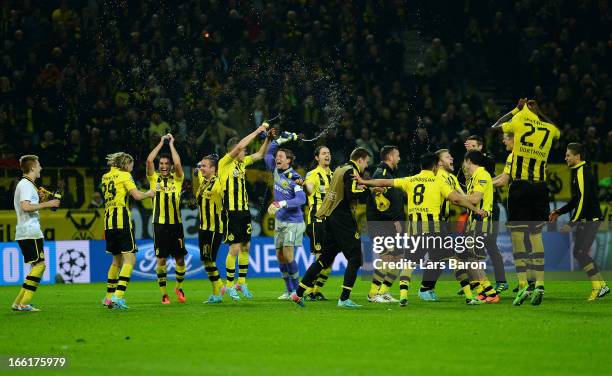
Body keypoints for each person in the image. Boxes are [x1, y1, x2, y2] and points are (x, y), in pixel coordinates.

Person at [355, 152, 489, 306]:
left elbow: (384, 182)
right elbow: (457, 199)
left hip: (416, 231)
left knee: (408, 264)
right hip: (435, 230)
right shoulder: (438, 181)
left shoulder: (411, 180)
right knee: (454, 260)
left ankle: (403, 296)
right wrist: (475, 209)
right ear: (434, 166)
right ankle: (469, 296)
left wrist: (364, 181)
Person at [492, 99, 560, 306]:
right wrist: (538, 112)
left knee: (518, 238)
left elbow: (496, 126)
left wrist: (517, 109)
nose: (505, 141)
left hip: (521, 186)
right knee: (536, 235)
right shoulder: (549, 128)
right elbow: (556, 129)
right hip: (540, 187)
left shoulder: (519, 122)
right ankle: (539, 283)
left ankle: (522, 285)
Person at [292, 147, 372, 308]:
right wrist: (370, 191)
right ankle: (344, 298)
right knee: (356, 258)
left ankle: (298, 293)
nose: (366, 166)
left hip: (329, 219)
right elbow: (350, 194)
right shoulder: (350, 170)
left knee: (324, 259)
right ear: (360, 160)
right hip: (341, 219)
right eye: (366, 162)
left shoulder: (338, 169)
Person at [219, 123, 273, 300]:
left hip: (244, 211)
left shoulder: (242, 164)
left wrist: (268, 140)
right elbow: (242, 145)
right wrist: (258, 131)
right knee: (234, 249)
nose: (245, 153)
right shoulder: (224, 163)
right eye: (242, 151)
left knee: (245, 247)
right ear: (234, 151)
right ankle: (229, 286)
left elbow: (260, 154)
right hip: (231, 212)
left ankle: (241, 283)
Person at [549, 143, 609, 300]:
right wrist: (559, 211)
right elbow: (576, 199)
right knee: (579, 252)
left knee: (581, 252)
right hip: (587, 218)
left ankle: (598, 287)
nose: (565, 158)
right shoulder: (577, 172)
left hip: (590, 219)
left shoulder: (582, 171)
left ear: (577, 156)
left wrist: (572, 222)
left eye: (568, 155)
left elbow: (583, 200)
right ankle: (601, 286)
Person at [101, 152, 154, 309]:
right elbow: (137, 196)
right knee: (130, 260)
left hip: (108, 222)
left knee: (116, 261)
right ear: (125, 164)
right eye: (131, 165)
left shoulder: (105, 177)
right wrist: (149, 193)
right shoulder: (125, 175)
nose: (132, 168)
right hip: (122, 221)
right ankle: (118, 296)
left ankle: (108, 297)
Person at [11, 155, 60, 312]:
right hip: (29, 231)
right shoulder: (25, 185)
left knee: (36, 266)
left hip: (26, 231)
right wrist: (47, 204)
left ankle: (18, 302)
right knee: (40, 266)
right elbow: (25, 206)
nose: (41, 167)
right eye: (38, 164)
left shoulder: (27, 185)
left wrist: (39, 201)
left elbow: (28, 204)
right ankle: (24, 303)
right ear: (32, 167)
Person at [264, 131, 306, 300]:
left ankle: (298, 292)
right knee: (280, 256)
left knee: (288, 254)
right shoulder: (275, 170)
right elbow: (267, 153)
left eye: (281, 156)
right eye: (277, 156)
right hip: (280, 221)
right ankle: (289, 290)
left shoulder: (295, 178)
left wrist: (280, 204)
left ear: (288, 160)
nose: (277, 158)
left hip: (293, 222)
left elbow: (301, 199)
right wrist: (282, 138)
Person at [146, 134, 187, 305]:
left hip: (176, 225)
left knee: (179, 259)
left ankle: (178, 287)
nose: (163, 166)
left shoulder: (177, 179)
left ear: (170, 166)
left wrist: (171, 144)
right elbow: (149, 161)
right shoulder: (153, 178)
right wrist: (160, 142)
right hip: (160, 225)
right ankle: (164, 294)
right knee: (161, 259)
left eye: (166, 164)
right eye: (161, 164)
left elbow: (178, 163)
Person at [464, 135, 507, 291]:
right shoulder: (471, 169)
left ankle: (498, 283)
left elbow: (476, 195)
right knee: (469, 249)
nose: (470, 149)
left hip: (488, 210)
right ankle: (476, 283)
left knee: (488, 245)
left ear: (481, 147)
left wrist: (458, 196)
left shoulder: (487, 162)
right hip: (474, 212)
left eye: (474, 146)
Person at [366, 145, 405, 303]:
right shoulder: (380, 174)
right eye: (397, 155)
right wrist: (394, 219)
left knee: (398, 258)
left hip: (391, 224)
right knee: (387, 258)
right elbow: (379, 203)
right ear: (390, 157)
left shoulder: (390, 175)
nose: (399, 158)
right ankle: (373, 294)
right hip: (381, 224)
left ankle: (384, 291)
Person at [462, 150, 500, 303]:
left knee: (472, 257)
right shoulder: (473, 177)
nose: (463, 165)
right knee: (470, 257)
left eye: (464, 162)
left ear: (469, 161)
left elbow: (476, 198)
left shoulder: (482, 175)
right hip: (473, 222)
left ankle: (490, 293)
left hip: (480, 222)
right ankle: (484, 292)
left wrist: (456, 196)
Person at [303, 145, 332, 301]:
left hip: (332, 222)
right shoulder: (313, 174)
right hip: (317, 220)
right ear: (317, 157)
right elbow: (309, 188)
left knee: (330, 257)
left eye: (328, 153)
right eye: (323, 153)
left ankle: (316, 290)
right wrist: (304, 186)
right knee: (321, 257)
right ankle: (307, 290)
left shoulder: (334, 175)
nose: (327, 155)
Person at [195, 154, 225, 304]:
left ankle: (218, 289)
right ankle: (218, 291)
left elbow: (226, 199)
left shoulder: (218, 184)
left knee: (210, 259)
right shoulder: (203, 181)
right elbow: (197, 170)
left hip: (215, 228)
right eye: (201, 166)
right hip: (203, 227)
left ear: (213, 169)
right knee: (206, 261)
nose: (201, 168)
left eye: (204, 166)